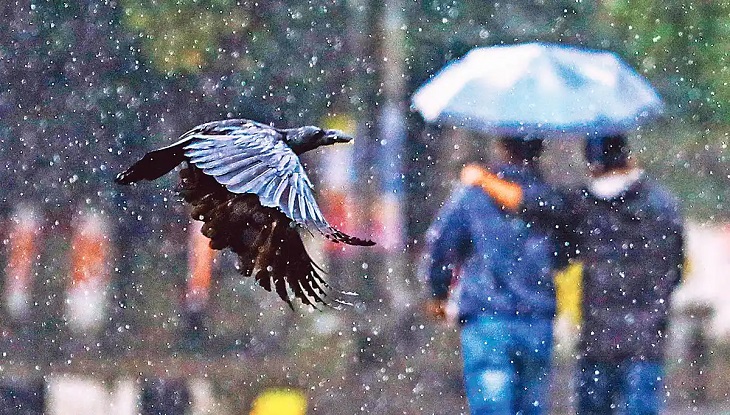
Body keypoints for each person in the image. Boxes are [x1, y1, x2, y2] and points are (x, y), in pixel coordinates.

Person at [463, 134, 684, 415]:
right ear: (629, 157)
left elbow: (529, 204)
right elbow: (675, 270)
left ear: (591, 164)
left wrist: (483, 179)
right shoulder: (663, 205)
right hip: (646, 341)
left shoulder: (584, 205)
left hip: (598, 341)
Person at [422, 136, 568, 415]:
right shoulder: (550, 197)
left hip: (486, 317)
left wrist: (438, 295)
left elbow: (441, 248)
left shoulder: (472, 195)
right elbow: (563, 253)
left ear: (501, 148)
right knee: (531, 406)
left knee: (492, 407)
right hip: (536, 318)